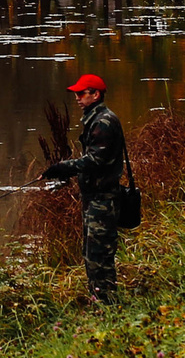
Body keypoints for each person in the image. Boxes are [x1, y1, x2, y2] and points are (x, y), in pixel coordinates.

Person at [42, 72, 128, 303]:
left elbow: (95, 161)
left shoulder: (103, 123)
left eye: (82, 93)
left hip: (103, 200)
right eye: (77, 94)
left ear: (95, 94)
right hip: (95, 198)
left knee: (99, 256)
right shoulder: (96, 118)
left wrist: (63, 167)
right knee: (92, 255)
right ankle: (101, 301)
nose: (77, 98)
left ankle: (108, 306)